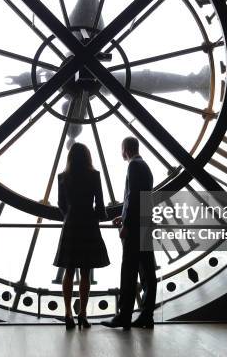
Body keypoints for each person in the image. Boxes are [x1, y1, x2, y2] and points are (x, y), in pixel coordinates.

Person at [101, 137, 156, 330]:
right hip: (145, 226)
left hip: (135, 229)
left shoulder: (133, 166)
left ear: (124, 149)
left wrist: (127, 224)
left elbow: (132, 197)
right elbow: (140, 198)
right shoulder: (145, 166)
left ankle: (124, 315)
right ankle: (146, 316)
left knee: (129, 272)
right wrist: (125, 219)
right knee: (147, 272)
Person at [53, 143, 110, 329]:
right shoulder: (94, 176)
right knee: (85, 272)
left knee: (69, 271)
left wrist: (69, 215)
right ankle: (82, 314)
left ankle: (67, 312)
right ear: (88, 156)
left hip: (71, 224)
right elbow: (100, 204)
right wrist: (98, 216)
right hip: (88, 224)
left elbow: (61, 204)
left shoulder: (63, 177)